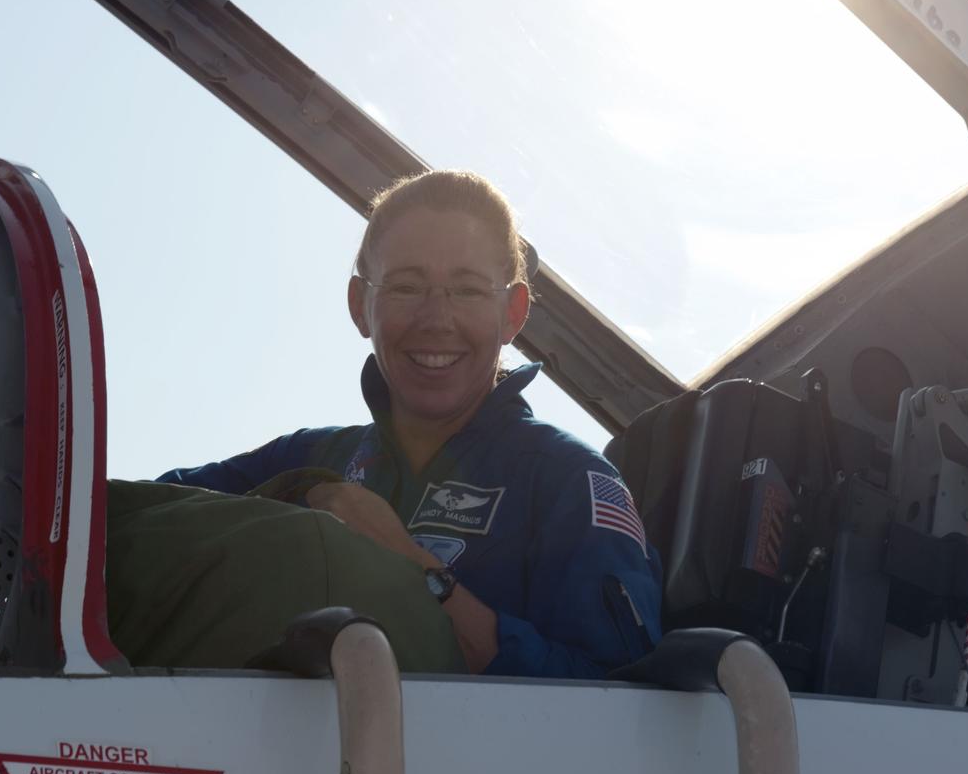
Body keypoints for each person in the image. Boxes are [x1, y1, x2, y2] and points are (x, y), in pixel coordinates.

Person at [159, 170, 662, 678]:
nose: (435, 319)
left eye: (466, 290)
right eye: (405, 286)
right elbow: (109, 527)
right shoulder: (304, 462)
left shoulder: (569, 482)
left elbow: (620, 705)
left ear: (512, 314)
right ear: (361, 307)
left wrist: (407, 566)